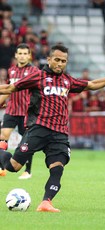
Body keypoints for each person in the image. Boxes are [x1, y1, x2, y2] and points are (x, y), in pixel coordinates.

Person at [0, 44, 105, 212]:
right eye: (56, 60)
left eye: (63, 61)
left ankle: (46, 202)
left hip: (60, 133)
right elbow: (10, 88)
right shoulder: (38, 76)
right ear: (49, 59)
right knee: (13, 167)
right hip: (39, 129)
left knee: (57, 168)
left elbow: (92, 84)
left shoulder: (67, 80)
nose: (59, 64)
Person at [0, 43, 39, 179]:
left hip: (26, 112)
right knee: (3, 135)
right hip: (12, 110)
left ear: (29, 56)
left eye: (25, 54)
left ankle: (27, 170)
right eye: (20, 53)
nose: (22, 56)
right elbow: (8, 90)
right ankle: (1, 167)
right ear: (16, 55)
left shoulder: (34, 72)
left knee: (26, 142)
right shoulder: (11, 71)